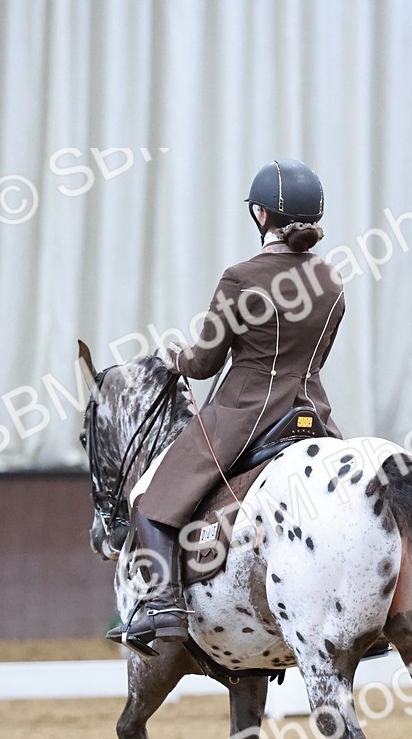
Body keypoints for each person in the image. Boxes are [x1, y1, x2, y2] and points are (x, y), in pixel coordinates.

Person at [108, 158, 345, 658]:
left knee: (155, 500)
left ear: (261, 215)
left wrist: (175, 357)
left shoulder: (240, 278)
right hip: (312, 415)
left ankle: (164, 607)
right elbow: (316, 355)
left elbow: (205, 362)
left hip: (246, 412)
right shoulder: (332, 281)